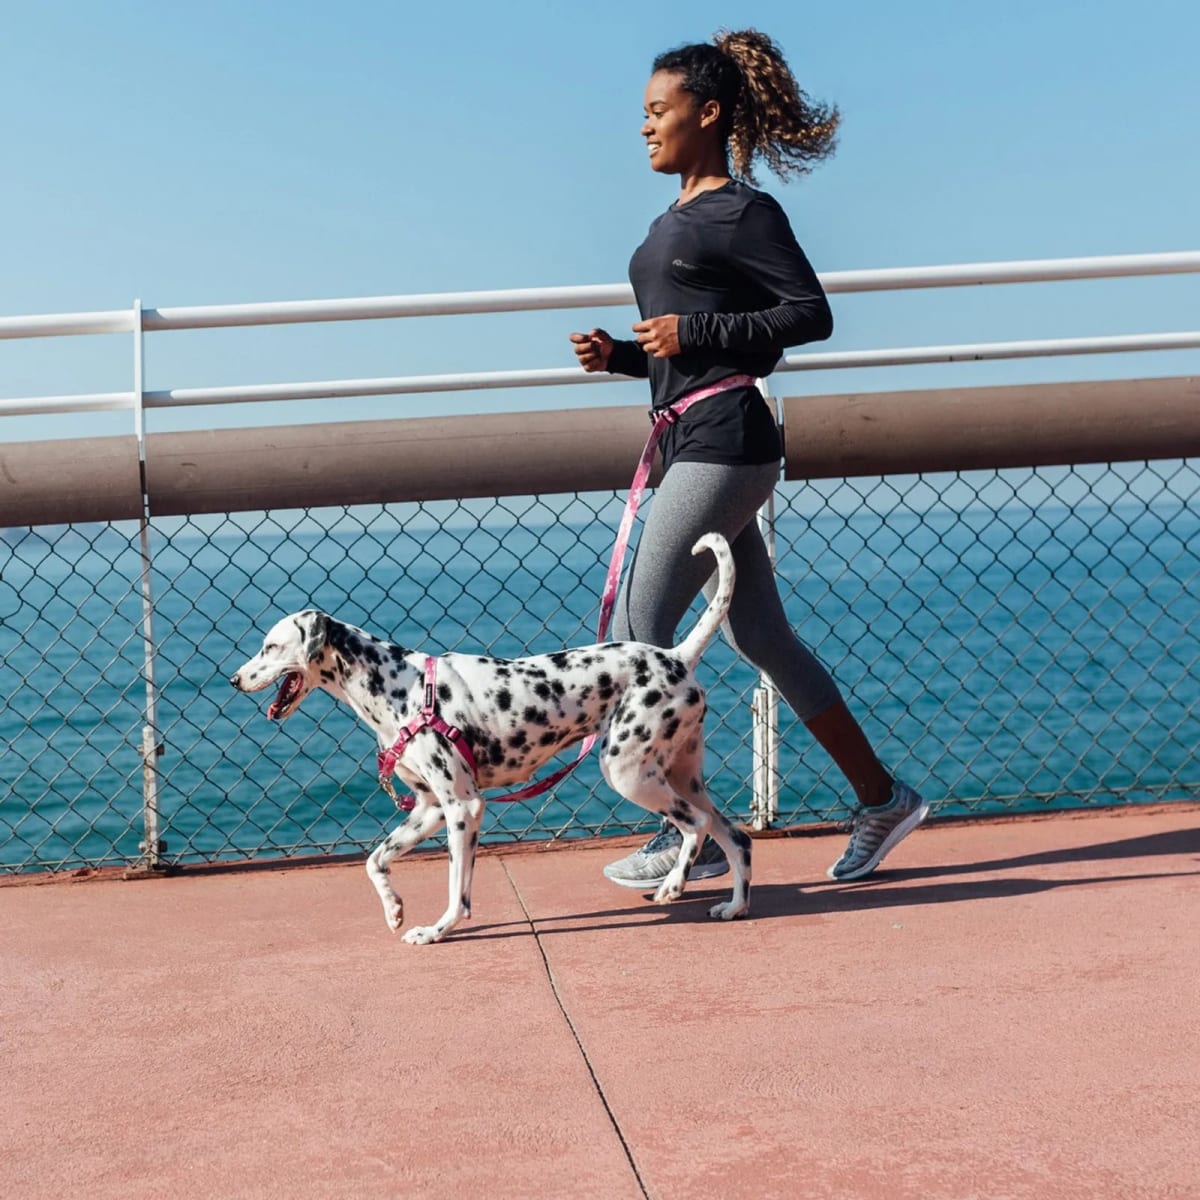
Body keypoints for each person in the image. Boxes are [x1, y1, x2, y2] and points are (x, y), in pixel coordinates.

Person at [568, 29, 928, 888]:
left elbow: (808, 314)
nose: (644, 125)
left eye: (658, 110)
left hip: (728, 443)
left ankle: (686, 833)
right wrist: (625, 356)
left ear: (708, 113)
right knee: (763, 636)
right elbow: (691, 349)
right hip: (691, 438)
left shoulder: (744, 211)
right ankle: (883, 800)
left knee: (637, 632)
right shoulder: (673, 219)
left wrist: (693, 330)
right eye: (643, 112)